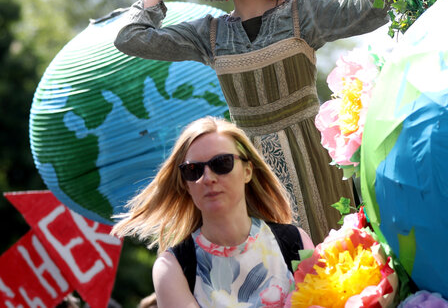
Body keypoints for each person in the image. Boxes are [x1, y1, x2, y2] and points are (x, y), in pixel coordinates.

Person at [113, 0, 439, 243]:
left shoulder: (304, 12)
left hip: (316, 158)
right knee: (272, 269)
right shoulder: (208, 34)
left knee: (334, 258)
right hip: (250, 175)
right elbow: (130, 38)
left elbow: (374, 6)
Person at [112, 116, 313, 307]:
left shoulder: (295, 241)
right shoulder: (172, 267)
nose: (207, 178)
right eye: (193, 170)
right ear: (186, 185)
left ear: (247, 171)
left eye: (222, 163)